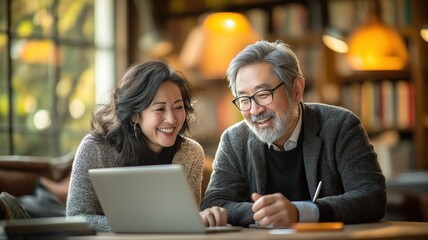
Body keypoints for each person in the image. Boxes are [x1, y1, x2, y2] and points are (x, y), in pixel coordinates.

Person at [201, 40, 386, 228]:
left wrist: (299, 212)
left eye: (263, 94)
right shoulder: (234, 140)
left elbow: (372, 196)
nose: (255, 110)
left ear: (296, 90)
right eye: (244, 99)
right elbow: (214, 203)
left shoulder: (340, 126)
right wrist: (264, 213)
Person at [66, 60, 227, 231]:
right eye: (159, 109)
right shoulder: (96, 148)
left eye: (178, 107)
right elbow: (76, 217)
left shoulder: (191, 153)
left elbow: (187, 223)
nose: (172, 119)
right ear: (135, 115)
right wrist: (141, 226)